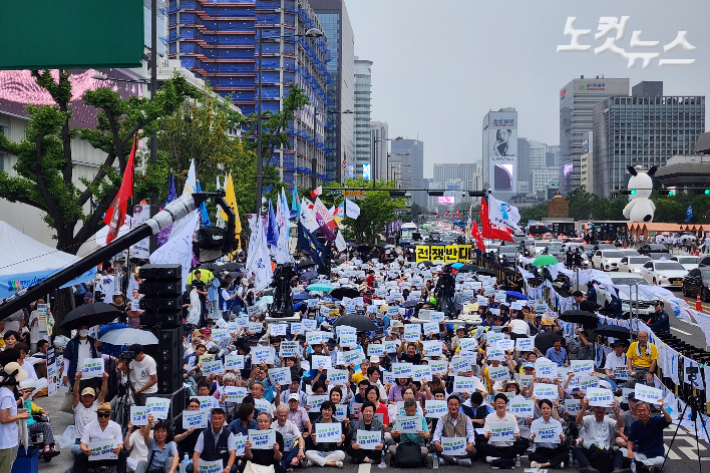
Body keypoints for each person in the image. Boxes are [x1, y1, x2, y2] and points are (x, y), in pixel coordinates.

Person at [572, 398, 628, 473]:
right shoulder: (589, 419)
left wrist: (616, 412)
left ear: (604, 412)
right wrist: (584, 407)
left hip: (605, 450)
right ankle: (588, 468)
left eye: (601, 412)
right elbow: (578, 420)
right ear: (593, 411)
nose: (599, 414)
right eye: (597, 412)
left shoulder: (608, 420)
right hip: (591, 450)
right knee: (576, 449)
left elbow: (619, 425)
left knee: (619, 452)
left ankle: (617, 469)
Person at [75, 402, 127, 473]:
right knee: (80, 456)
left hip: (110, 456)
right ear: (97, 415)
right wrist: (85, 450)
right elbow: (83, 444)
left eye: (106, 415)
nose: (103, 418)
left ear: (110, 415)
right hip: (93, 456)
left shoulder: (116, 426)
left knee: (122, 454)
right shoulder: (89, 426)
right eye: (100, 415)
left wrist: (118, 448)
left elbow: (120, 444)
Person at [625, 398, 672, 470]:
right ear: (636, 412)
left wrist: (662, 408)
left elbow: (669, 420)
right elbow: (631, 439)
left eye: (644, 410)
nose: (642, 413)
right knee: (622, 452)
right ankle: (646, 466)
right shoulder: (635, 424)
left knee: (660, 461)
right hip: (641, 454)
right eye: (639, 411)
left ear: (649, 412)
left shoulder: (656, 421)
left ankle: (641, 465)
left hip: (656, 455)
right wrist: (630, 452)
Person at [18, 379, 60, 459]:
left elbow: (35, 408)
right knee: (25, 432)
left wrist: (42, 410)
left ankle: (47, 448)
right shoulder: (17, 402)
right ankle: (31, 451)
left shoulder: (28, 401)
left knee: (46, 425)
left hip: (32, 423)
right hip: (22, 426)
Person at [481, 393, 528, 463]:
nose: (500, 405)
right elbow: (485, 435)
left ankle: (496, 459)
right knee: (482, 445)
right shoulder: (489, 417)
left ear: (506, 404)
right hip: (494, 446)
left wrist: (516, 435)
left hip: (508, 446)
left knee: (522, 446)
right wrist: (488, 435)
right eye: (498, 403)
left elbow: (517, 434)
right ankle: (507, 458)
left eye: (502, 403)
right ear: (494, 404)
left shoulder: (511, 417)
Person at [0, 362, 30, 472]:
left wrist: (17, 411)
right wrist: (20, 416)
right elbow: (3, 419)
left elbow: (6, 411)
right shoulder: (7, 394)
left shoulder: (3, 391)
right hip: (5, 441)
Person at [188, 408, 238, 473]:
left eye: (220, 418)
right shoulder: (203, 433)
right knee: (189, 468)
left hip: (222, 464)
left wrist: (228, 468)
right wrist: (195, 467)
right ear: (211, 420)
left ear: (223, 420)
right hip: (206, 464)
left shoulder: (229, 434)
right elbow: (196, 453)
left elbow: (232, 453)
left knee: (233, 468)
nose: (217, 421)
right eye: (215, 418)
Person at [432, 395, 476, 466]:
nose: (453, 407)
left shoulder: (466, 418)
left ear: (459, 406)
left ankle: (448, 460)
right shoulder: (442, 419)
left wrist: (471, 443)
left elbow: (470, 433)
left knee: (473, 450)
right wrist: (437, 442)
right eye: (451, 404)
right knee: (434, 447)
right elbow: (437, 433)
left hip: (461, 448)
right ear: (447, 406)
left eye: (455, 405)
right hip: (447, 447)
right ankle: (458, 460)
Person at [71, 370, 109, 455]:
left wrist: (105, 380)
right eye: (85, 396)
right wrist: (77, 379)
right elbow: (75, 393)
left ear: (94, 398)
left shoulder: (97, 406)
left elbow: (102, 393)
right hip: (79, 441)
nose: (87, 399)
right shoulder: (78, 407)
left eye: (90, 396)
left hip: (93, 441)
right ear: (81, 397)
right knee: (75, 449)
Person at [305, 400, 346, 468]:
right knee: (307, 453)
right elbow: (315, 444)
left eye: (329, 410)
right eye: (324, 409)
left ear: (333, 411)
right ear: (321, 410)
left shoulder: (336, 424)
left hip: (331, 451)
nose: (327, 412)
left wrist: (340, 441)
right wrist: (314, 440)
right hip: (319, 451)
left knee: (341, 454)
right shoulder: (316, 422)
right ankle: (331, 463)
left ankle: (315, 461)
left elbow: (338, 445)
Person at [389, 398, 429, 464]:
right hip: (404, 445)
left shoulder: (421, 418)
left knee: (424, 451)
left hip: (418, 445)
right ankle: (414, 458)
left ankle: (403, 457)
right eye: (408, 411)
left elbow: (428, 435)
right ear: (404, 409)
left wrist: (423, 435)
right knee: (391, 448)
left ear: (416, 409)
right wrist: (395, 434)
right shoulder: (400, 417)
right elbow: (392, 433)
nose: (410, 413)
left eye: (413, 411)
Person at [528, 399, 566, 469]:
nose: (546, 410)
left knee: (565, 455)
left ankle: (543, 464)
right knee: (531, 456)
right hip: (541, 450)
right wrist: (532, 437)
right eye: (543, 408)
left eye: (548, 408)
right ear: (540, 410)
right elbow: (531, 441)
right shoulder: (535, 423)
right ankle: (555, 463)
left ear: (551, 409)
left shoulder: (556, 423)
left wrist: (561, 438)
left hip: (554, 449)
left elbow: (562, 442)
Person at [63, 323, 99, 390]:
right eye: (81, 328)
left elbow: (98, 356)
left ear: (88, 329)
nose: (83, 330)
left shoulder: (93, 342)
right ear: (78, 329)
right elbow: (67, 359)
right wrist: (65, 374)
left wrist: (97, 348)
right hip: (77, 376)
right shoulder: (72, 343)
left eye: (85, 328)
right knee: (77, 396)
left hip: (90, 376)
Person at [272, 405, 306, 471]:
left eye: (285, 415)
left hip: (290, 451)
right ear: (277, 415)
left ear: (288, 415)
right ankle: (288, 463)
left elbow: (300, 438)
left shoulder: (292, 424)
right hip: (279, 452)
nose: (283, 418)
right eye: (281, 415)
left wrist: (301, 450)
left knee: (302, 445)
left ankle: (283, 464)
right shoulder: (272, 426)